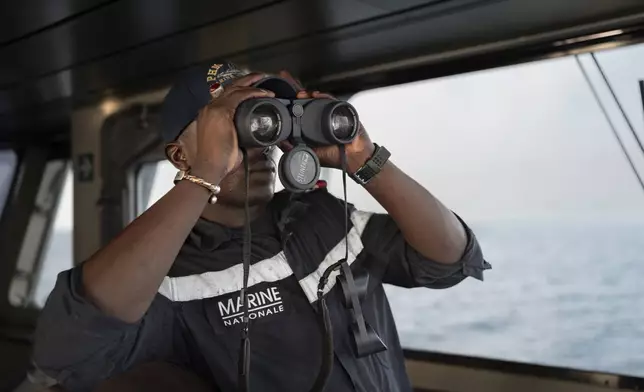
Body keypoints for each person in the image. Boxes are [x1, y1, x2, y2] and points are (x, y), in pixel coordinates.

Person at [31, 62, 490, 392]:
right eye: (238, 123)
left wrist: (363, 160)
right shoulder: (168, 277)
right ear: (179, 155)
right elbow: (65, 350)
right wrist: (207, 171)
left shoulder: (327, 218)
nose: (258, 144)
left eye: (266, 122)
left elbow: (450, 261)